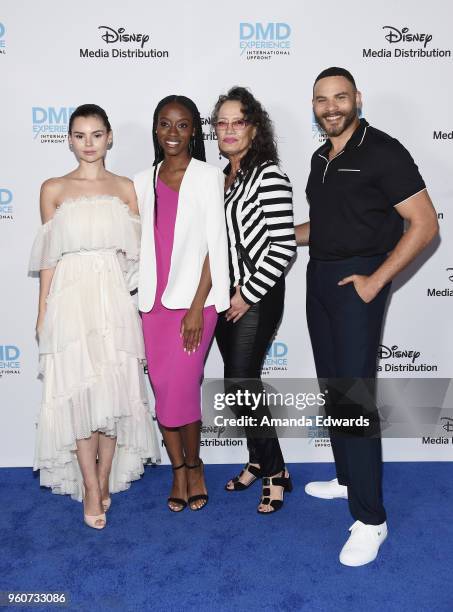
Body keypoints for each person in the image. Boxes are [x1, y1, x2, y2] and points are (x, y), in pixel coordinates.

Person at [295, 67, 439, 565]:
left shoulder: (383, 150)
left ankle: (371, 520)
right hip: (319, 280)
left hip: (360, 282)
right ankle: (346, 478)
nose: (330, 107)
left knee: (353, 394)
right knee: (335, 386)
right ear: (313, 105)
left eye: (339, 97)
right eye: (321, 99)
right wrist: (286, 232)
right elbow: (332, 221)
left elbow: (424, 224)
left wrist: (377, 280)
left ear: (357, 98)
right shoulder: (320, 156)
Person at [29, 104, 160, 530]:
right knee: (78, 395)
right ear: (68, 139)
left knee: (114, 393)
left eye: (96, 134)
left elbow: (140, 253)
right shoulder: (53, 188)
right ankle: (89, 486)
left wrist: (129, 291)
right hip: (70, 296)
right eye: (80, 135)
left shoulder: (127, 188)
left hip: (112, 297)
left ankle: (105, 477)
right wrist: (43, 306)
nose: (88, 143)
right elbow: (49, 255)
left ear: (109, 138)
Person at [135, 95, 229, 512]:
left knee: (184, 387)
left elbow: (216, 246)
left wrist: (196, 306)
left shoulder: (209, 177)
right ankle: (178, 470)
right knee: (162, 388)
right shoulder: (141, 181)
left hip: (197, 303)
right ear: (155, 130)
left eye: (183, 125)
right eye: (165, 124)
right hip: (153, 305)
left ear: (195, 131)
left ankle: (196, 465)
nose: (173, 133)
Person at [212, 86, 297, 514]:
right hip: (226, 299)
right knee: (242, 386)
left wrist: (246, 293)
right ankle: (257, 459)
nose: (229, 130)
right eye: (222, 124)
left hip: (256, 296)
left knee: (239, 383)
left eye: (237, 122)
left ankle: (275, 473)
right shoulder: (223, 178)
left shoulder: (269, 175)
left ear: (254, 128)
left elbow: (282, 247)